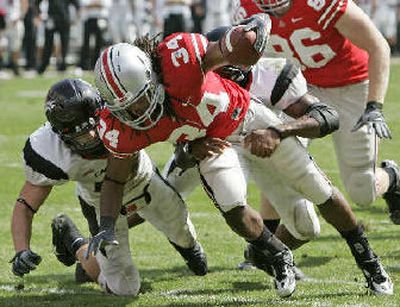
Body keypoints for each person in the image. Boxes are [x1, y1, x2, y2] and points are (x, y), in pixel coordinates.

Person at [91, 16, 392, 296]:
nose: (137, 113)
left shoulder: (261, 74)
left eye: (141, 100)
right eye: (126, 109)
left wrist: (279, 131)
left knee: (313, 199)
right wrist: (186, 150)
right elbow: (116, 177)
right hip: (215, 142)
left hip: (254, 125)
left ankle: (366, 258)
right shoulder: (124, 123)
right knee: (222, 199)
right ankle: (274, 253)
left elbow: (327, 117)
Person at [10, 78, 207, 296]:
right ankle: (75, 242)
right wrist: (21, 249)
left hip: (143, 180)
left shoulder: (122, 111)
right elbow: (25, 205)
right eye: (83, 135)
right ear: (62, 134)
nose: (94, 137)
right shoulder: (50, 153)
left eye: (93, 127)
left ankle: (188, 249)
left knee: (183, 232)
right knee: (123, 289)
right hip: (98, 202)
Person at [232, 0, 400, 227]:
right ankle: (268, 243)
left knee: (363, 190)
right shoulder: (246, 10)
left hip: (351, 85)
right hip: (303, 88)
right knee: (277, 154)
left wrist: (374, 106)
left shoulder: (321, 3)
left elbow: (378, 45)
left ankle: (392, 176)